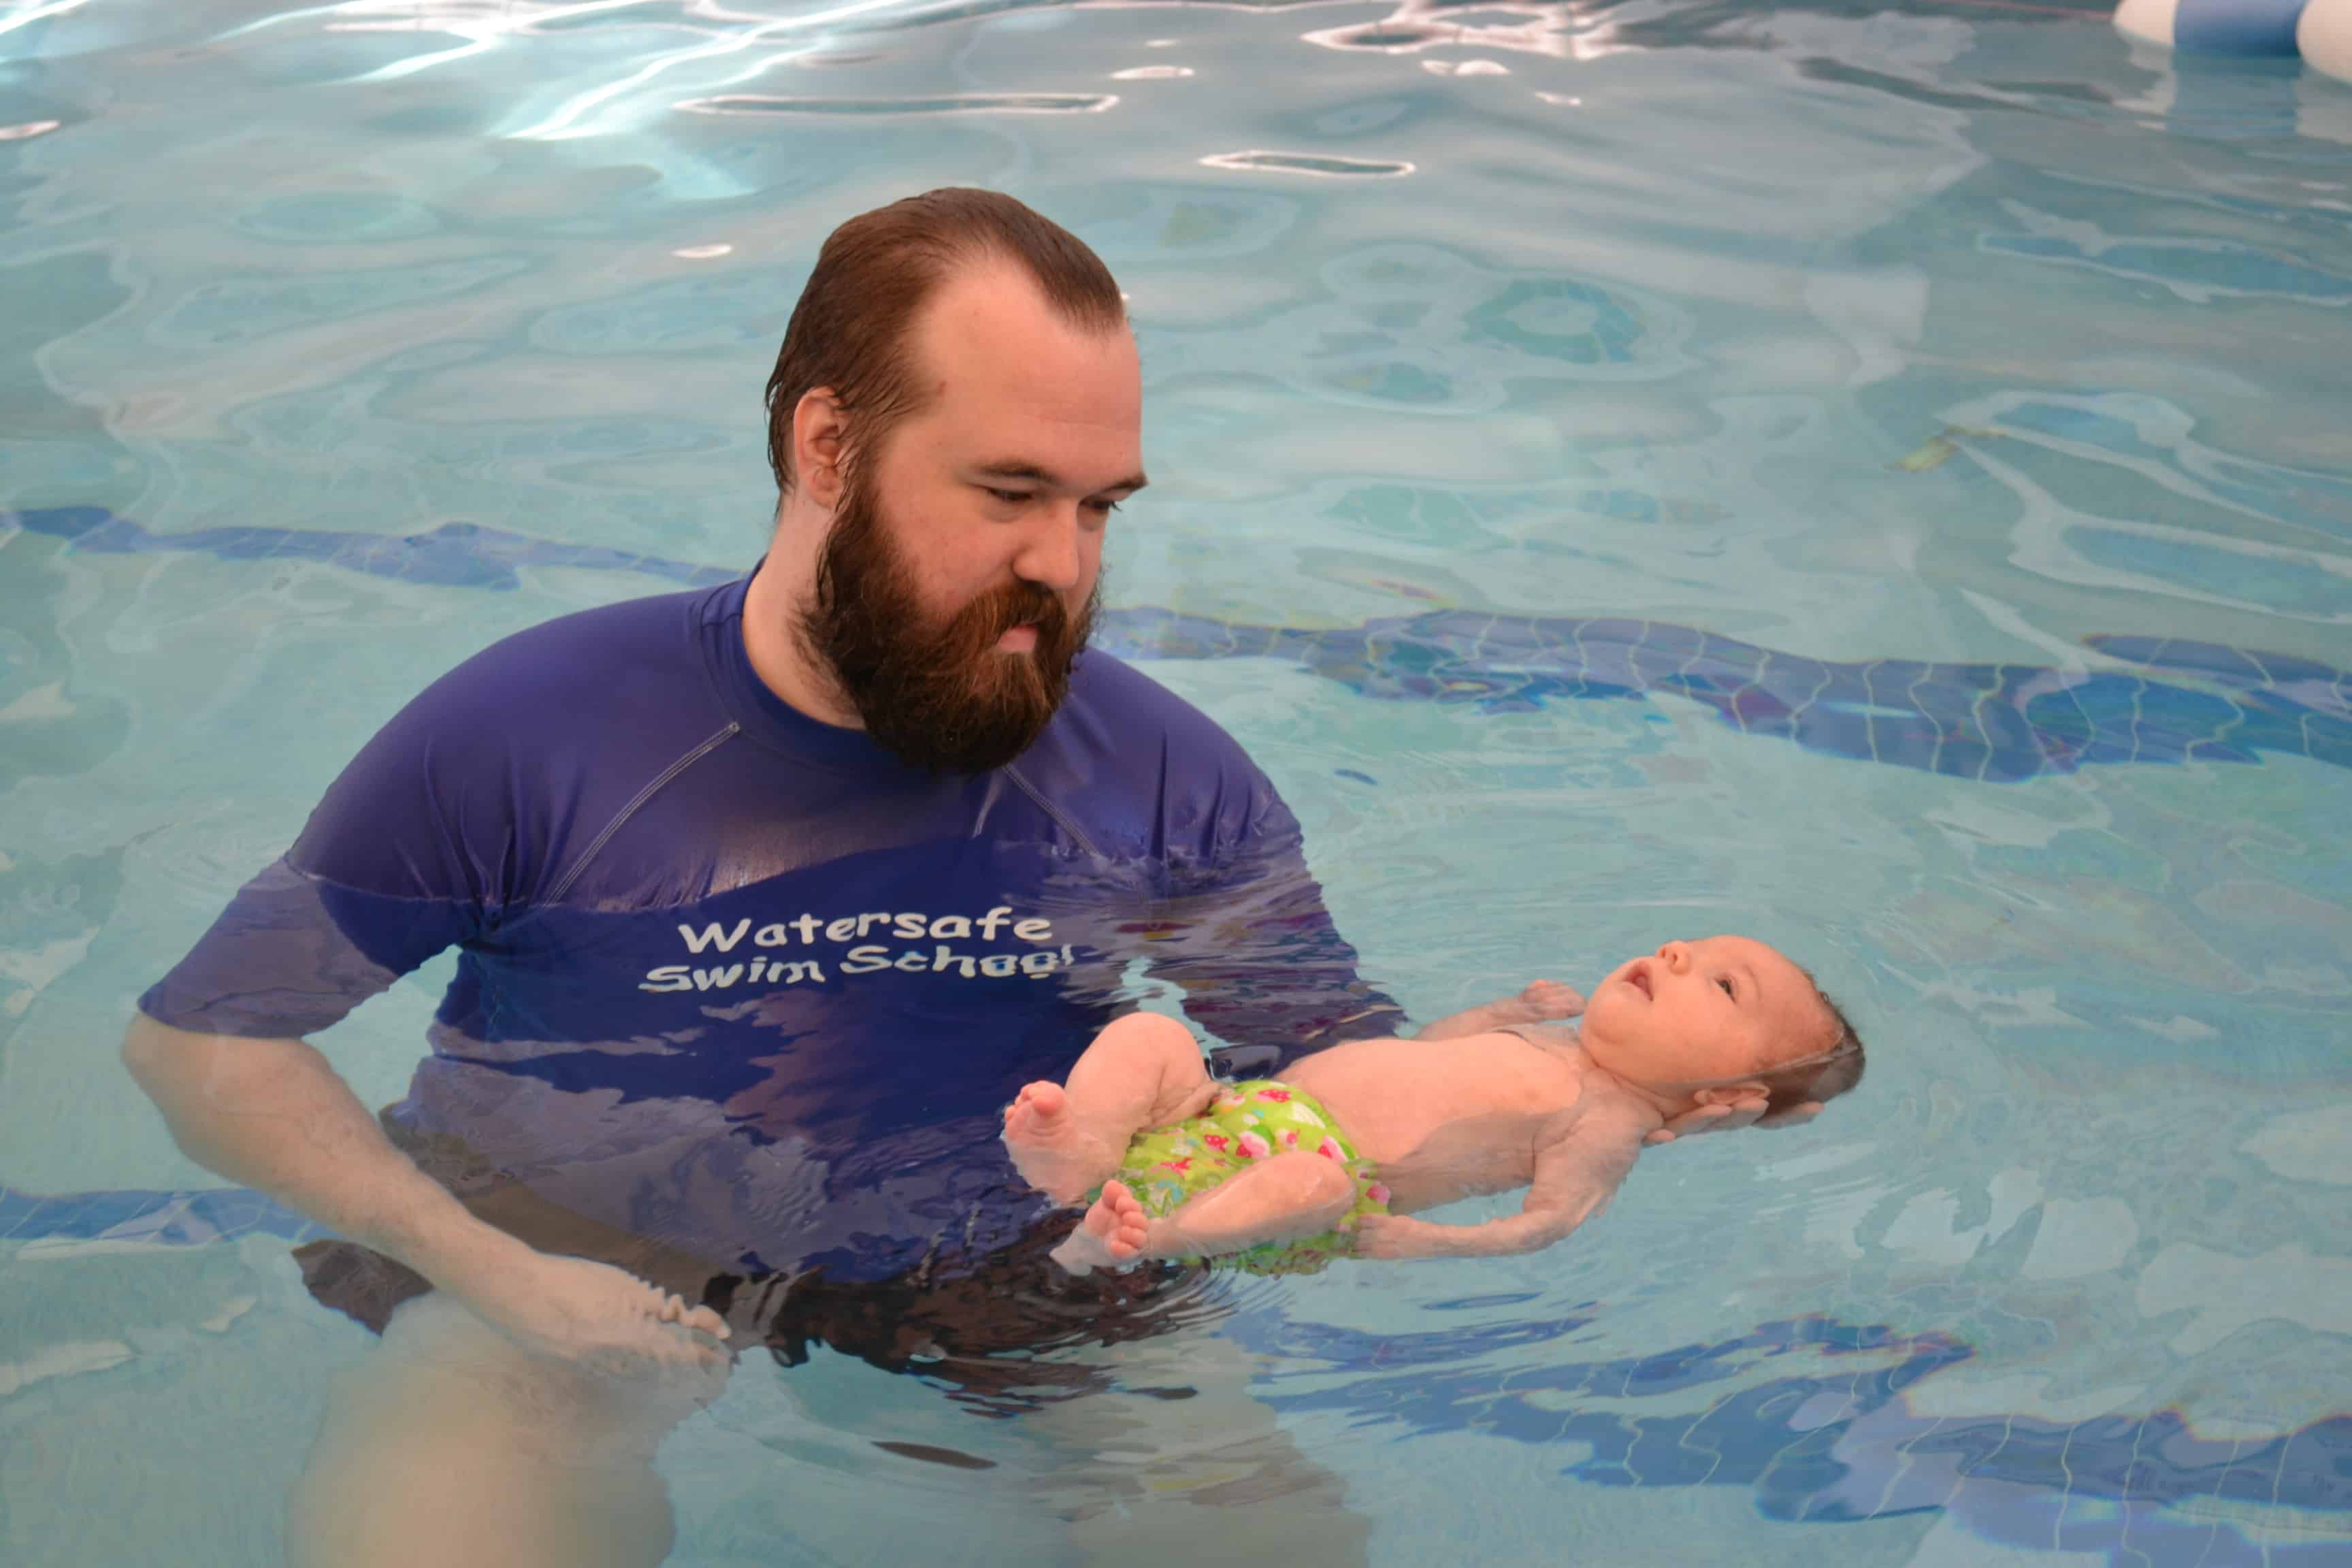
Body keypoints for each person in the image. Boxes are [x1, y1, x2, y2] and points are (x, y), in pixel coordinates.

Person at [118, 188, 1791, 1565]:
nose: (1058, 567)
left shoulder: (1158, 774)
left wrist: (1563, 1108)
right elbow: (203, 1044)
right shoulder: (535, 731)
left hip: (1024, 1274)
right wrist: (483, 1270)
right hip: (560, 1255)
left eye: (1095, 508)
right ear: (828, 445)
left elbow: (1319, 1079)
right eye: (1006, 494)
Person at [1005, 937, 1861, 1274]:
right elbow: (1427, 1052)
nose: (1675, 951)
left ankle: (1141, 1241)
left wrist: (1433, 1242)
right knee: (1155, 1037)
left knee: (1313, 1187)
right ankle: (1079, 1153)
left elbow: (1547, 1223)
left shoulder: (1608, 1125)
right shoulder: (1550, 1044)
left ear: (1724, 1092)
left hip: (1285, 1181)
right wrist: (1499, 1016)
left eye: (1719, 982)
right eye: (1692, 944)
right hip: (1224, 1108)